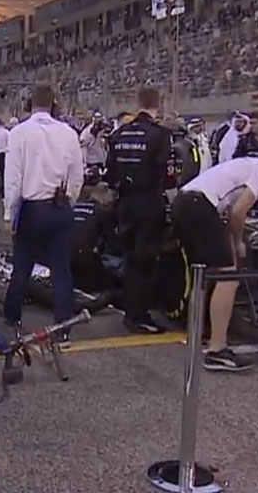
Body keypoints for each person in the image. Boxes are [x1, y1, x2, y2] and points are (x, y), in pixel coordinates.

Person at [174, 157, 258, 371]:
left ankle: (198, 332)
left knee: (203, 274)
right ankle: (217, 350)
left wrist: (231, 242)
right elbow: (239, 212)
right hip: (200, 205)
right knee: (228, 278)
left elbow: (228, 215)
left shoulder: (244, 167)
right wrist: (238, 244)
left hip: (184, 202)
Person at [2, 84, 84, 334]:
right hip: (58, 206)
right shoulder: (69, 133)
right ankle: (63, 325)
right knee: (61, 269)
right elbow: (77, 175)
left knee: (23, 265)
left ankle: (12, 315)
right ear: (53, 105)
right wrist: (69, 200)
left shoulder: (19, 133)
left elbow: (13, 178)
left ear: (30, 105)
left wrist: (8, 213)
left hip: (32, 208)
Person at [105, 86, 175, 334]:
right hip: (148, 202)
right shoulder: (160, 135)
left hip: (125, 203)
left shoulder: (119, 134)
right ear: (159, 104)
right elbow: (167, 176)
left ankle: (132, 309)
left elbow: (110, 175)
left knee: (130, 257)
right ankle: (139, 314)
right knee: (145, 260)